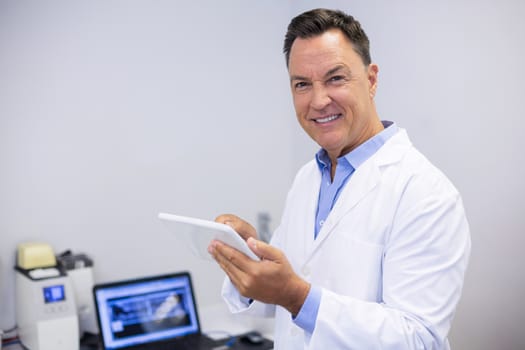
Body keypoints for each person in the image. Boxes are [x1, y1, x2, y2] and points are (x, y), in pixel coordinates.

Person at [208, 8, 471, 350]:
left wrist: (298, 297)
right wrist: (249, 256)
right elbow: (285, 296)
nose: (318, 101)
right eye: (302, 84)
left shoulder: (426, 193)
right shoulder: (308, 178)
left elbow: (418, 339)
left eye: (335, 78)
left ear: (372, 79)